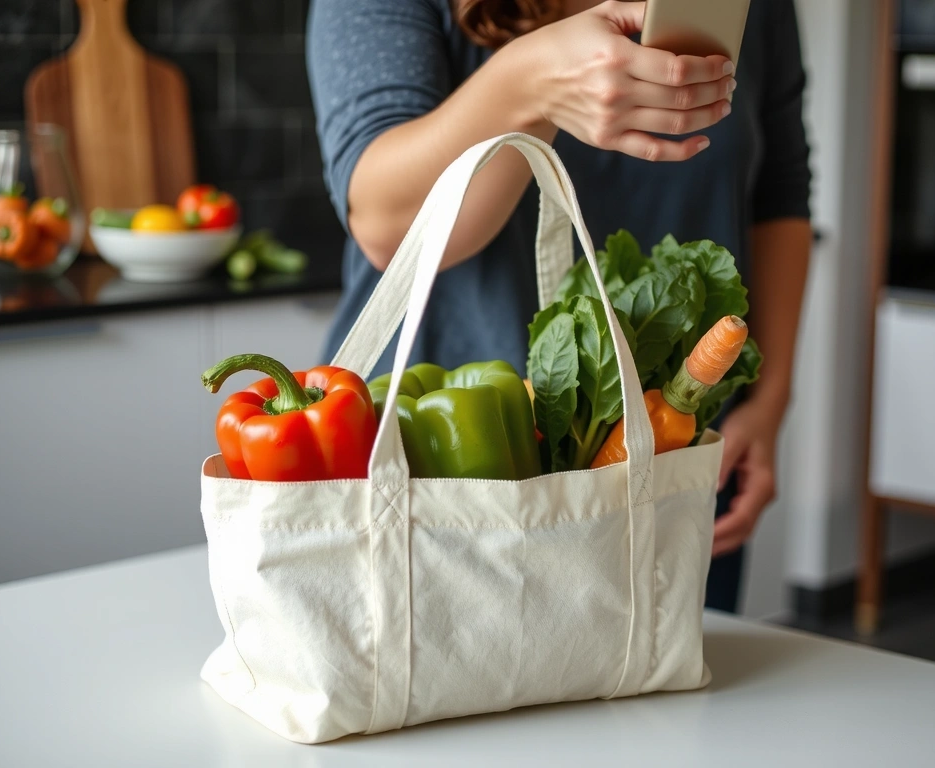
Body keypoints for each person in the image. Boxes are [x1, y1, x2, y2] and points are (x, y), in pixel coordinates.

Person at [306, 0, 812, 613]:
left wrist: (772, 398)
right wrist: (530, 84)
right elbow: (388, 226)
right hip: (441, 466)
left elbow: (780, 191)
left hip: (675, 459)